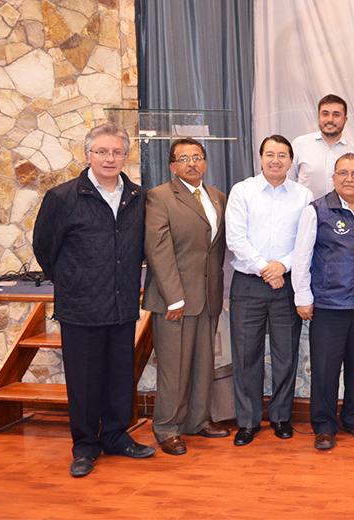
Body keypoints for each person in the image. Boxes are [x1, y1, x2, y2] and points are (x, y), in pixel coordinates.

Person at [33, 122, 155, 477]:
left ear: (126, 156)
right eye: (101, 151)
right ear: (87, 155)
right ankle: (85, 446)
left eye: (117, 152)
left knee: (119, 376)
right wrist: (73, 281)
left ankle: (117, 437)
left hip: (122, 303)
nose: (109, 158)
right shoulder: (63, 197)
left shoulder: (137, 197)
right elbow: (45, 249)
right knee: (84, 381)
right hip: (80, 306)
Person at [143, 138, 232, 455]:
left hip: (208, 297)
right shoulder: (160, 196)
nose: (192, 163)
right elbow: (157, 250)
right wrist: (174, 298)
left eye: (197, 157)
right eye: (184, 158)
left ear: (206, 162)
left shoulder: (218, 197)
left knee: (202, 364)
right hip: (175, 300)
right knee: (173, 368)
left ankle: (198, 420)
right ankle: (167, 428)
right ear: (172, 166)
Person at [225, 135, 314, 446]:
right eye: (270, 154)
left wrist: (282, 267)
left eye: (282, 155)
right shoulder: (242, 191)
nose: (276, 160)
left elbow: (306, 241)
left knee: (285, 354)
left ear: (291, 161)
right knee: (246, 354)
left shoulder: (303, 195)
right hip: (248, 283)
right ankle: (247, 422)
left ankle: (280, 417)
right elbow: (235, 238)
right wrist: (266, 267)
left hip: (286, 284)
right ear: (260, 158)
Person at [291, 153, 354, 450]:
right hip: (328, 305)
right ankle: (325, 424)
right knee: (325, 369)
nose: (349, 179)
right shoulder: (317, 211)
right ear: (333, 177)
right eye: (343, 173)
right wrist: (303, 297)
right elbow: (301, 257)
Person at [290, 94, 354, 200]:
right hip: (305, 213)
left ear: (345, 119)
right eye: (325, 114)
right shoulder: (299, 145)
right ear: (319, 117)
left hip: (342, 215)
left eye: (336, 115)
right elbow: (287, 183)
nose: (330, 120)